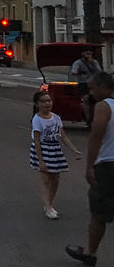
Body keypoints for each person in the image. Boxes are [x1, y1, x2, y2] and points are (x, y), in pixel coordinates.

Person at [68, 71, 114, 265]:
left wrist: (89, 167)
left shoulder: (105, 106)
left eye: (93, 88)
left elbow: (96, 136)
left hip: (107, 165)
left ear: (104, 87)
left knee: (99, 213)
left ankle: (90, 253)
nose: (91, 92)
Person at [31, 91, 81, 219]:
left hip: (55, 150)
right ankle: (47, 207)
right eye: (43, 101)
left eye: (49, 100)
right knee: (45, 178)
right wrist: (40, 160)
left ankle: (49, 203)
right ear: (37, 104)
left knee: (55, 179)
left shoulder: (56, 118)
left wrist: (74, 150)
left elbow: (62, 136)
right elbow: (37, 140)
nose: (47, 103)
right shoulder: (37, 120)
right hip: (43, 149)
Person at [71, 47, 102, 124]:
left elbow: (100, 72)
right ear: (83, 54)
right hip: (83, 83)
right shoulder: (78, 63)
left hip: (94, 83)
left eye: (90, 54)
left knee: (95, 100)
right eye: (87, 54)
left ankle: (95, 116)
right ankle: (88, 119)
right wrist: (80, 72)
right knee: (86, 99)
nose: (89, 56)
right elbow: (74, 71)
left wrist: (94, 63)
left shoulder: (94, 62)